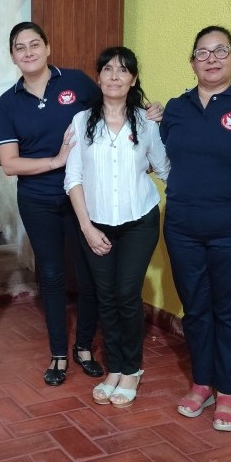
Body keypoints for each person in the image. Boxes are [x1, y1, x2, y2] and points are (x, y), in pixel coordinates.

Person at [0, 22, 161, 386]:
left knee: (89, 277)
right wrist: (55, 161)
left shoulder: (75, 82)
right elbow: (9, 163)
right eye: (19, 47)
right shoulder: (8, 102)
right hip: (38, 199)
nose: (28, 52)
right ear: (12, 55)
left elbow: (117, 100)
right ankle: (58, 352)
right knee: (52, 275)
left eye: (34, 44)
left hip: (85, 198)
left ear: (48, 46)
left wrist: (151, 113)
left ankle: (84, 346)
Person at [160, 26, 231, 430]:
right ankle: (202, 383)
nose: (211, 59)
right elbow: (157, 156)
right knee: (196, 310)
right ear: (192, 62)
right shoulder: (175, 108)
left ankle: (228, 391)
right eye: (202, 53)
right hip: (183, 228)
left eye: (220, 51)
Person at [65, 47, 169, 408]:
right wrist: (87, 229)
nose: (114, 76)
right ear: (99, 77)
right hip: (96, 224)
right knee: (105, 297)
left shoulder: (146, 122)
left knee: (126, 294)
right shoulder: (81, 122)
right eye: (107, 69)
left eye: (122, 71)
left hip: (139, 221)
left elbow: (164, 168)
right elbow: (73, 178)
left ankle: (132, 369)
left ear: (133, 79)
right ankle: (115, 368)